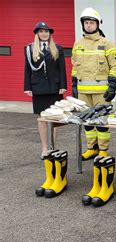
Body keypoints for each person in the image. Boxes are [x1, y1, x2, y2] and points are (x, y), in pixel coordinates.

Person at [71, 7, 116, 160]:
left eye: (91, 22)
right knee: (87, 121)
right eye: (86, 22)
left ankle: (103, 150)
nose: (88, 25)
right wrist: (74, 85)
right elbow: (74, 66)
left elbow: (115, 66)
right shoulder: (78, 44)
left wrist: (113, 86)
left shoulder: (107, 43)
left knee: (101, 121)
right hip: (83, 92)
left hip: (102, 92)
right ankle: (91, 148)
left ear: (98, 24)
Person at [24, 22, 67, 157]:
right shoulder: (30, 49)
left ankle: (53, 147)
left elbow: (62, 69)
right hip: (38, 89)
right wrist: (27, 87)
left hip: (54, 88)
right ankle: (45, 147)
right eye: (41, 31)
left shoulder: (57, 48)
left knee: (54, 119)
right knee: (42, 119)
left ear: (49, 34)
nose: (44, 33)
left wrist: (63, 86)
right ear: (37, 33)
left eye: (46, 31)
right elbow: (27, 69)